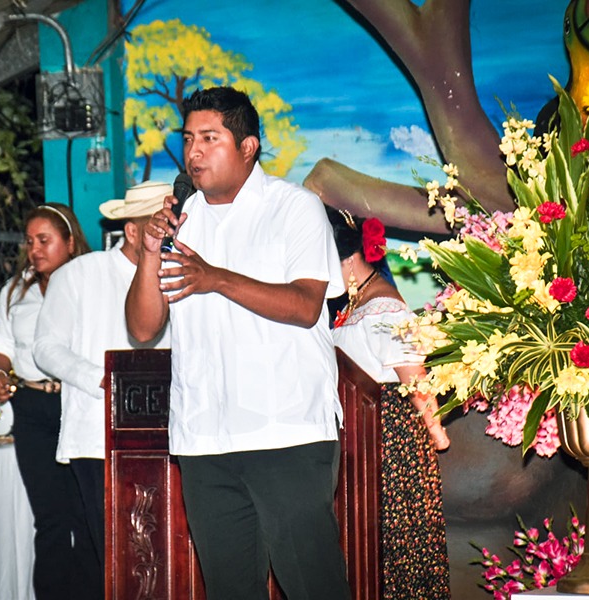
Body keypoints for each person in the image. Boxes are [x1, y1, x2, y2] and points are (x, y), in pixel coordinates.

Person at [125, 86, 351, 600]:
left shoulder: (294, 208)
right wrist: (150, 251)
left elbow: (305, 306)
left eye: (210, 138)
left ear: (248, 147)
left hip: (286, 432)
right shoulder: (182, 220)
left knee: (314, 586)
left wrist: (215, 278)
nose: (194, 152)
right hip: (204, 438)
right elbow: (142, 328)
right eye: (188, 139)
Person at [32, 181, 172, 599]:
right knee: (109, 556)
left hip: (170, 438)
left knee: (161, 557)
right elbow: (45, 348)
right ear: (132, 231)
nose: (168, 234)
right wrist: (105, 379)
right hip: (97, 439)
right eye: (159, 225)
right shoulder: (79, 275)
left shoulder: (180, 273)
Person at [326, 205, 451, 599]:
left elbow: (415, 378)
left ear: (349, 260)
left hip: (390, 443)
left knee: (394, 549)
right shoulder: (355, 304)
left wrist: (436, 431)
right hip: (359, 440)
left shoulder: (387, 308)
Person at [0, 203, 93, 600]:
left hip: (77, 404)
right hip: (32, 407)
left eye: (44, 240)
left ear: (70, 241)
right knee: (49, 517)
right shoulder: (16, 290)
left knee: (86, 514)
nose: (35, 250)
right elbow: (0, 343)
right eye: (30, 242)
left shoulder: (90, 284)